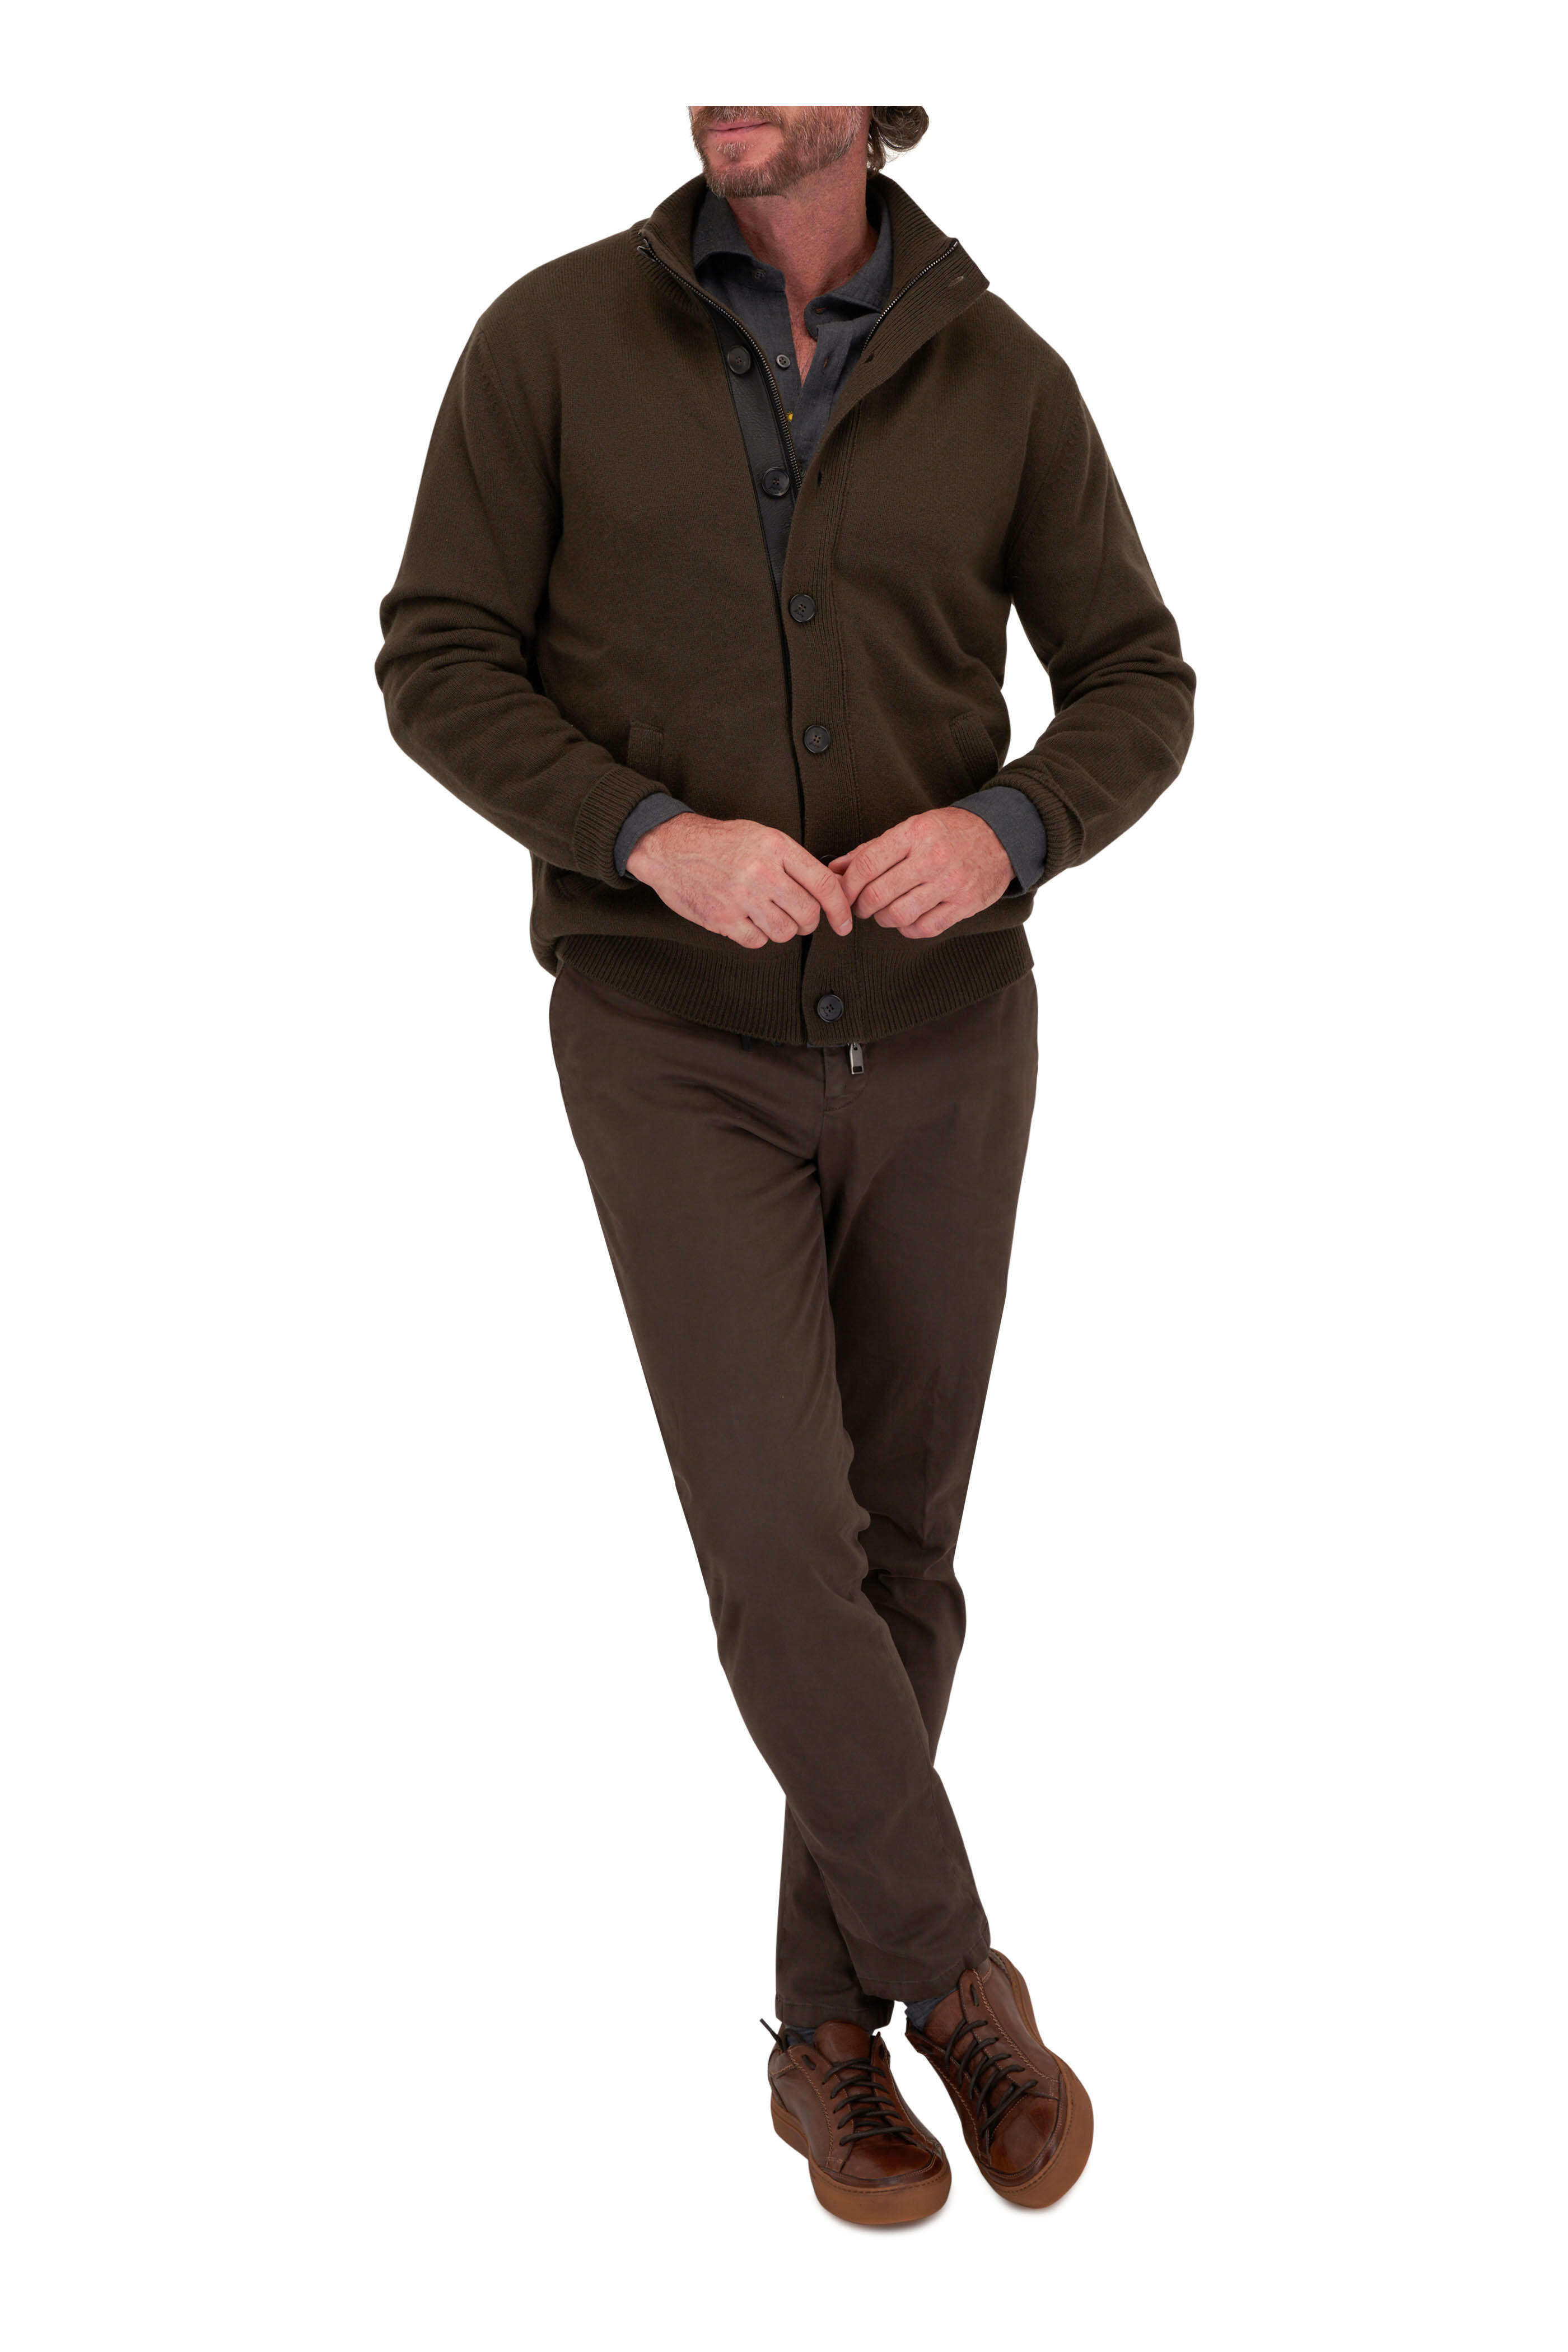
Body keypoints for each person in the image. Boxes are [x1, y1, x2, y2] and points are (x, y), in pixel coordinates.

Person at [376, 103, 1194, 2226]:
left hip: (950, 1043)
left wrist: (1010, 830)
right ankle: (961, 1983)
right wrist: (652, 837)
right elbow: (437, 659)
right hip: (674, 1049)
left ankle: (820, 2045)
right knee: (779, 1551)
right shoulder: (549, 344)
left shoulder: (1004, 375)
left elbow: (1137, 680)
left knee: (902, 1552)